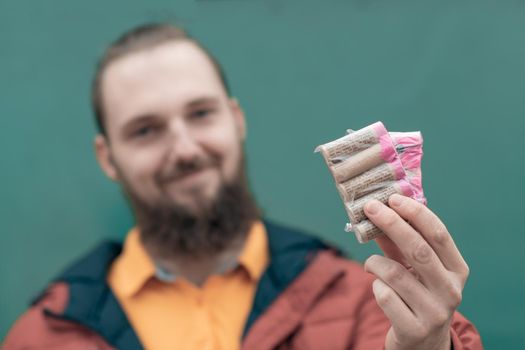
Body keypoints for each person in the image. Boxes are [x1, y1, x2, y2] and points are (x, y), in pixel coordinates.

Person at [3, 23, 483, 350]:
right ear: (108, 157)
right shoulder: (42, 336)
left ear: (236, 119)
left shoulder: (363, 302)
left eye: (201, 114)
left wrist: (429, 345)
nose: (185, 147)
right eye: (145, 130)